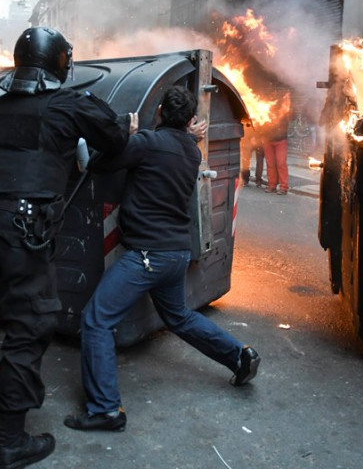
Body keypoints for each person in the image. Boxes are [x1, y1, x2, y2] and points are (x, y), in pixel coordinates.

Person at [0, 26, 133, 469]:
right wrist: (126, 125)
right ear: (59, 63)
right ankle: (11, 442)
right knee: (27, 326)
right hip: (22, 228)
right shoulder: (68, 105)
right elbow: (115, 137)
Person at [63, 85, 260, 433]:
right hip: (176, 254)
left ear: (158, 114)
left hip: (147, 257)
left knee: (96, 320)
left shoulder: (147, 143)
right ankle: (238, 355)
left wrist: (129, 134)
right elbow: (176, 143)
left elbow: (99, 164)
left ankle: (106, 409)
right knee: (179, 317)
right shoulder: (190, 150)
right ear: (189, 122)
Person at [262, 92, 291, 194]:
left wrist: (287, 100)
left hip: (280, 140)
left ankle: (284, 187)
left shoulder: (284, 113)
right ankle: (271, 185)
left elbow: (290, 113)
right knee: (270, 164)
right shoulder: (265, 111)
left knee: (281, 163)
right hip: (267, 139)